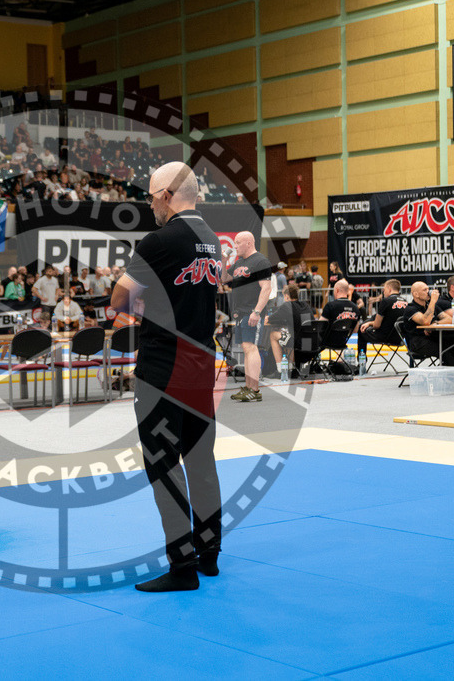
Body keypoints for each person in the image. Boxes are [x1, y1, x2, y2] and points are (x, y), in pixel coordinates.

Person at [110, 161, 222, 592]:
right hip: (200, 363)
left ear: (166, 195)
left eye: (152, 197)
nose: (151, 205)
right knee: (201, 461)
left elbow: (119, 296)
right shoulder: (211, 240)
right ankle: (209, 554)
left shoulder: (160, 240)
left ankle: (182, 565)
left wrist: (141, 301)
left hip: (163, 366)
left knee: (164, 465)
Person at [224, 231, 273, 403]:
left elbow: (266, 288)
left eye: (237, 243)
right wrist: (224, 260)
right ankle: (248, 387)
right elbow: (223, 279)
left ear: (249, 243)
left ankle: (254, 389)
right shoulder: (239, 262)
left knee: (251, 348)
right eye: (235, 243)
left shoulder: (260, 261)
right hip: (240, 312)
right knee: (246, 348)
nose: (234, 245)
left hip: (252, 310)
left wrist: (257, 311)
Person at [400, 282, 454, 365]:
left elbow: (449, 319)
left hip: (433, 337)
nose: (428, 292)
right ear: (416, 294)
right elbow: (425, 321)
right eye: (424, 290)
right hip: (418, 343)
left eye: (428, 289)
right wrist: (433, 301)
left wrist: (435, 323)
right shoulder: (410, 309)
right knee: (446, 349)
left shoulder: (429, 305)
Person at [357, 279, 408, 372]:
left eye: (384, 290)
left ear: (389, 289)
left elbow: (376, 325)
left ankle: (361, 364)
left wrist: (368, 323)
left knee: (361, 331)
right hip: (399, 338)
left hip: (384, 337)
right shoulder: (406, 302)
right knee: (373, 317)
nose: (383, 292)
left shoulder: (386, 301)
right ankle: (366, 321)